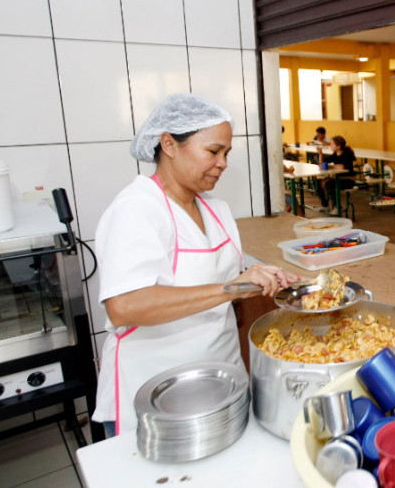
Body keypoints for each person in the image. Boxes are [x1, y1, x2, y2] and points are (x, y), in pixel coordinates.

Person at [92, 93, 304, 436]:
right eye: (213, 151)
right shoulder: (137, 208)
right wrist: (234, 287)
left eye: (226, 154)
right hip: (157, 392)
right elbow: (125, 306)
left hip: (222, 379)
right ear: (169, 145)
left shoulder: (214, 209)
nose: (222, 163)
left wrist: (267, 279)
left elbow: (220, 278)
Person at [316, 135, 356, 211]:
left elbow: (342, 166)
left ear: (339, 146)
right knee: (318, 182)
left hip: (349, 180)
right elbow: (323, 162)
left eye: (332, 144)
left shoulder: (346, 154)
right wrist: (320, 154)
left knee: (329, 185)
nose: (330, 145)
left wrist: (329, 166)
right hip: (338, 179)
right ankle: (325, 205)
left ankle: (337, 207)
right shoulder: (335, 154)